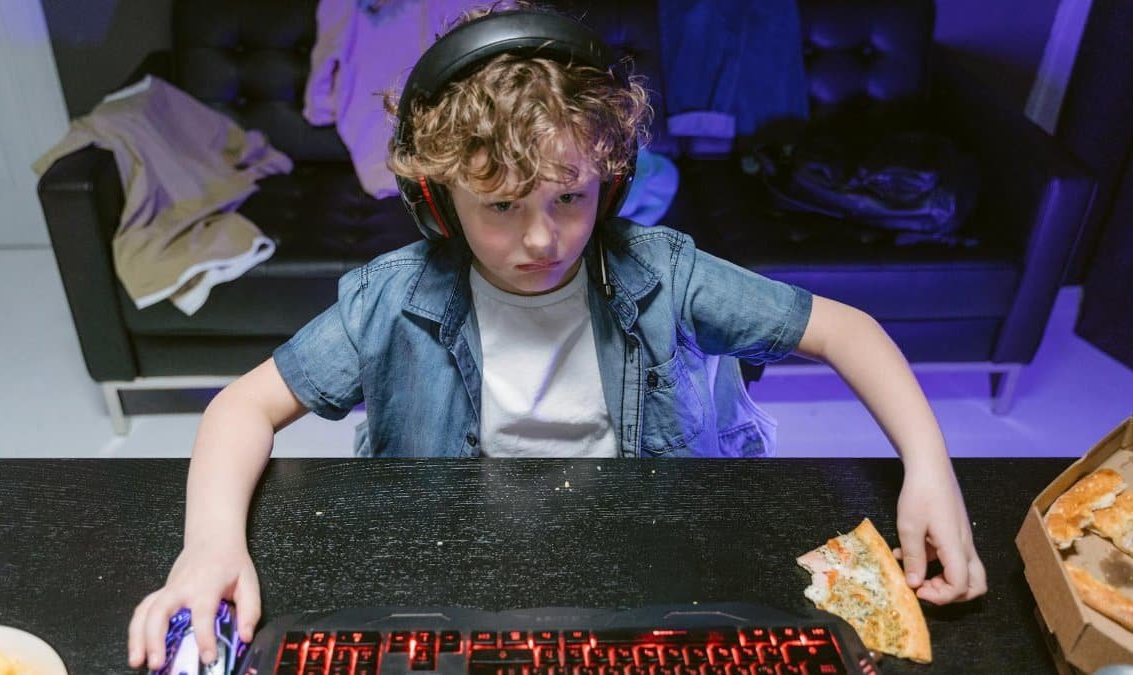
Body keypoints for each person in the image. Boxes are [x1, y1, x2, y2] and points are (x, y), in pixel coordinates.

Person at [127, 4, 987, 670]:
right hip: (456, 564)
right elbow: (240, 406)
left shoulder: (666, 272)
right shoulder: (390, 301)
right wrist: (209, 547)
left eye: (568, 198)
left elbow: (849, 331)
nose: (541, 239)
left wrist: (930, 470)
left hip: (649, 548)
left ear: (608, 189)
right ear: (437, 203)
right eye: (499, 206)